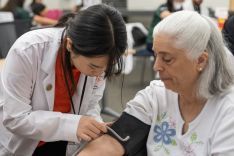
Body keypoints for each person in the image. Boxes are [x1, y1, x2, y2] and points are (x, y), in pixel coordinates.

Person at [77, 10, 234, 156]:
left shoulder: (228, 111)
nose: (156, 66)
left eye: (167, 59)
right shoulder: (156, 95)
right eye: (156, 55)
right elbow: (110, 143)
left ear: (200, 60)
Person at [0, 4, 127, 156]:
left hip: (64, 139)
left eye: (106, 67)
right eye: (93, 66)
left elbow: (90, 105)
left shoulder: (97, 61)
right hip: (24, 143)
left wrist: (94, 125)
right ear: (70, 44)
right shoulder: (28, 50)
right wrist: (74, 124)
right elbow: (16, 118)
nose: (99, 74)